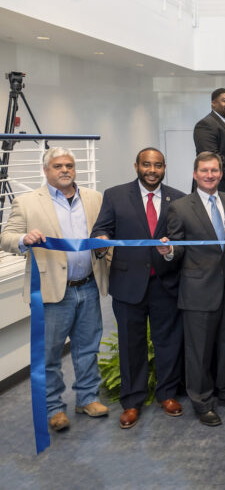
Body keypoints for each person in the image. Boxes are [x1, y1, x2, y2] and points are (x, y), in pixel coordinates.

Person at [1, 147, 110, 432]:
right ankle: (54, 408)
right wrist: (25, 238)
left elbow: (104, 233)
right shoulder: (27, 203)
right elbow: (6, 238)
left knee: (87, 349)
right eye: (58, 166)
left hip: (87, 286)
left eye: (70, 165)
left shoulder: (94, 198)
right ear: (46, 170)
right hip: (51, 292)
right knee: (49, 354)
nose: (65, 170)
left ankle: (87, 399)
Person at [91, 148, 185, 429]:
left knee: (168, 343)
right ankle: (131, 402)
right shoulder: (115, 195)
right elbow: (100, 229)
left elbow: (181, 241)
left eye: (158, 165)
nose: (152, 170)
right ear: (136, 166)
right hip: (128, 285)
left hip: (165, 282)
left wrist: (170, 251)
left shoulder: (178, 199)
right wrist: (102, 239)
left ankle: (167, 395)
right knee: (131, 346)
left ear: (164, 167)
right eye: (147, 164)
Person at [157, 152, 225, 426]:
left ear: (221, 174)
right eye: (204, 171)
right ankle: (202, 401)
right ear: (195, 174)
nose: (210, 175)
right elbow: (176, 246)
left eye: (215, 171)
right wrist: (168, 251)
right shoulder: (180, 207)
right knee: (198, 352)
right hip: (198, 292)